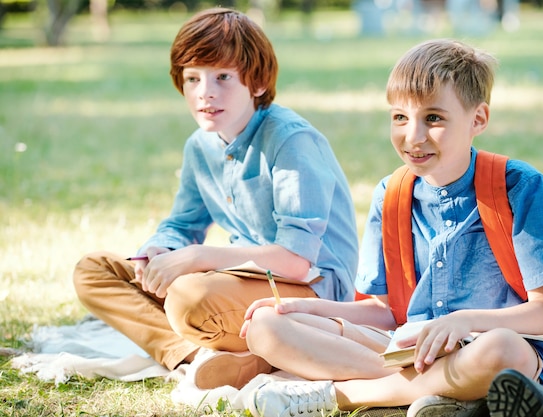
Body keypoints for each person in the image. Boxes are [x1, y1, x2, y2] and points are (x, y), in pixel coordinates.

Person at [239, 38, 543, 417]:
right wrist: (308, 307)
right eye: (400, 117)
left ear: (478, 119)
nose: (412, 137)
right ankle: (433, 386)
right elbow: (387, 312)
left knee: (499, 352)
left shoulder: (519, 187)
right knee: (266, 327)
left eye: (433, 118)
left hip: (493, 341)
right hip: (404, 346)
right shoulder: (392, 194)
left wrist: (464, 320)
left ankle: (341, 395)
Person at [72, 7, 359, 391]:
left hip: (312, 287)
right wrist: (158, 249)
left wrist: (197, 258)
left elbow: (295, 260)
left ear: (256, 84)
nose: (205, 92)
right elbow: (182, 224)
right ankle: (200, 354)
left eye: (223, 77)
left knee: (190, 299)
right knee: (94, 271)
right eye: (193, 79)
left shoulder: (290, 141)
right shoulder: (200, 147)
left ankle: (257, 349)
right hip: (240, 280)